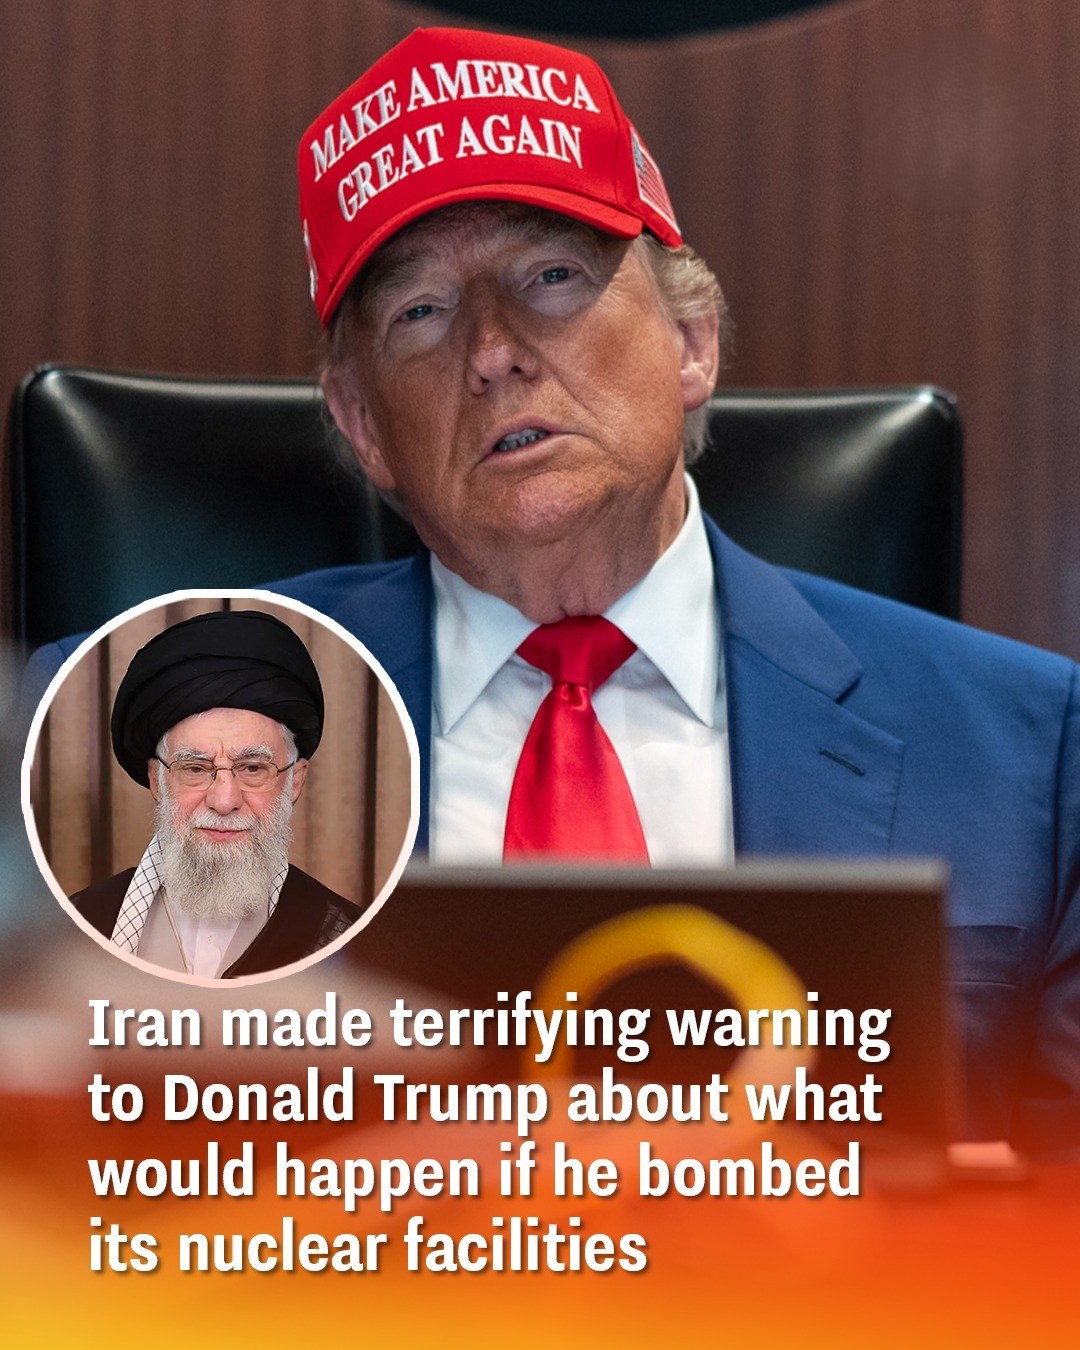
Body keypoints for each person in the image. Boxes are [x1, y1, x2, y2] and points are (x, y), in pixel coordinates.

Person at [26, 29, 1078, 1148]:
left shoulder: (1032, 752)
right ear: (364, 425)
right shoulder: (85, 746)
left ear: (691, 342)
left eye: (552, 276)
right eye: (421, 310)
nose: (493, 351)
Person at [69, 609, 363, 978]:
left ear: (294, 781)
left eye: (253, 769)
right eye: (195, 769)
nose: (224, 802)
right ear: (158, 781)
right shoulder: (74, 929)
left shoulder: (350, 939)